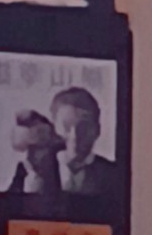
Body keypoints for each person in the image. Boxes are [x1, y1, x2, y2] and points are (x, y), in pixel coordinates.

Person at [49, 84, 121, 216]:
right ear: (54, 129)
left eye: (84, 127)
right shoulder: (34, 171)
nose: (75, 136)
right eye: (66, 126)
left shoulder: (114, 177)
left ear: (97, 130)